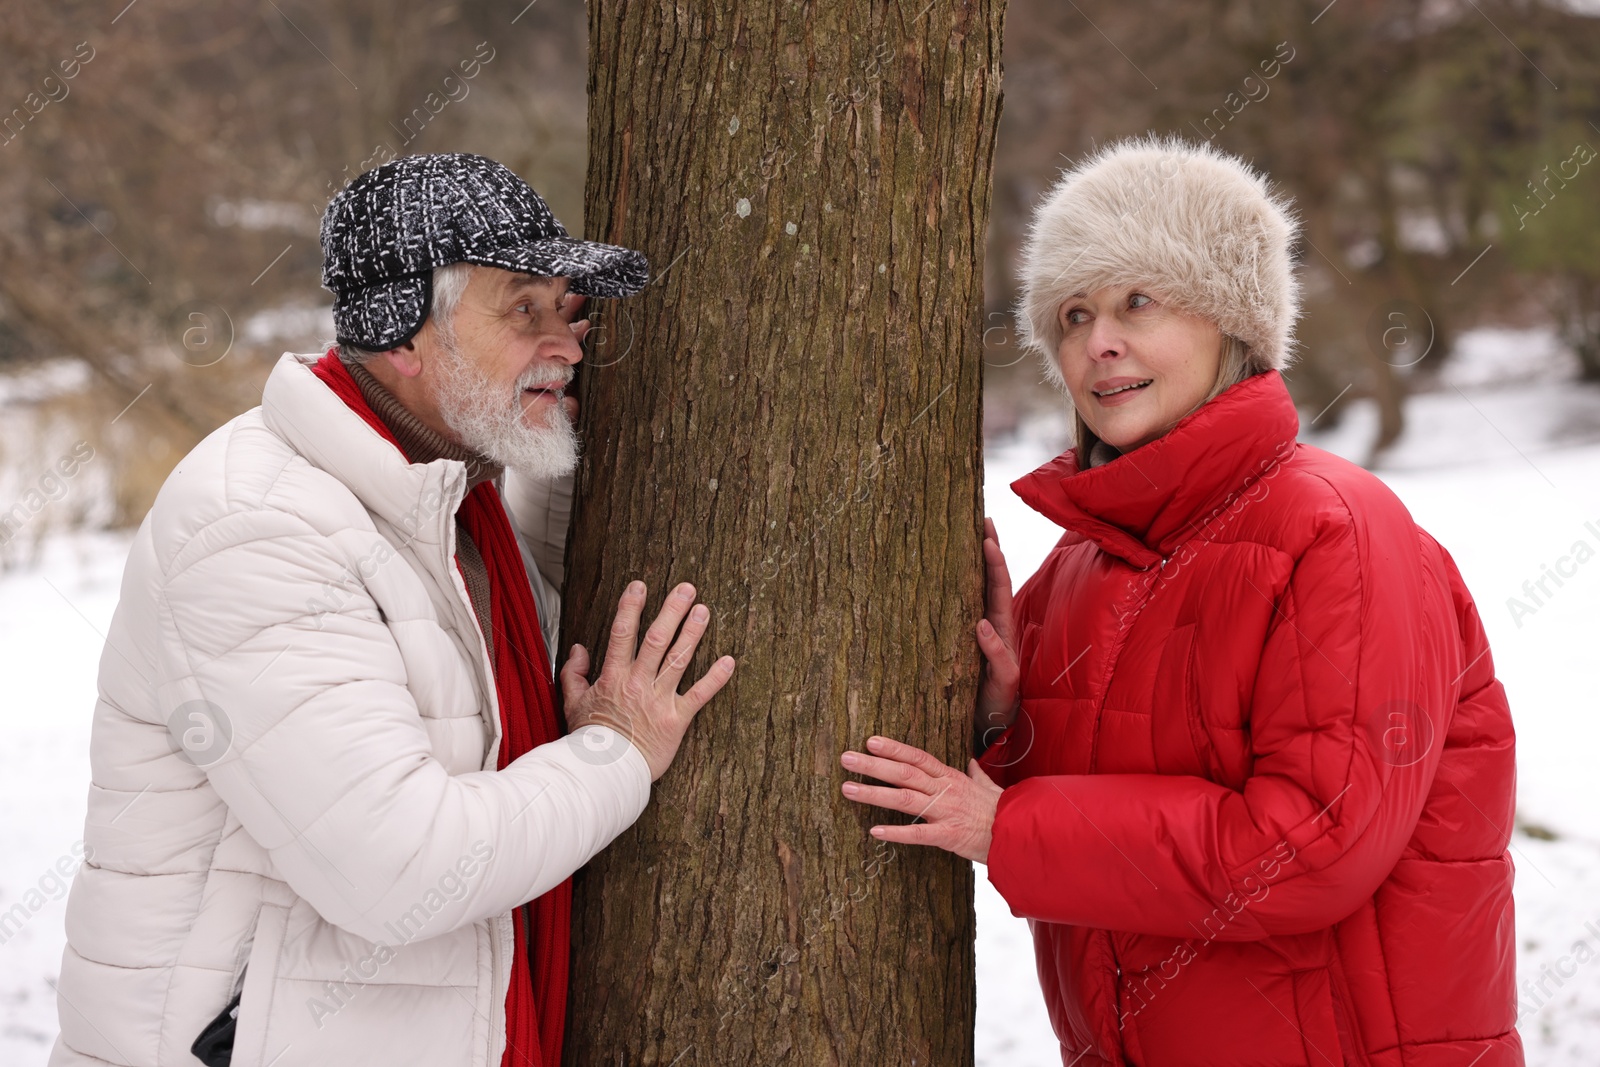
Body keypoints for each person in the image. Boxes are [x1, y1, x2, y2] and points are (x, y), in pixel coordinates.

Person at [841, 137, 1520, 1064]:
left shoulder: (1339, 534)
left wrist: (1008, 827)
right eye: (1072, 315)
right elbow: (1114, 779)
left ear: (1232, 321)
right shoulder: (1084, 561)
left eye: (1138, 301)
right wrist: (1004, 721)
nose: (1098, 342)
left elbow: (1311, 841)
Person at [49, 153, 735, 1067]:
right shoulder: (255, 527)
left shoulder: (448, 498)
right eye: (522, 309)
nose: (569, 346)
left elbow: (500, 616)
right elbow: (399, 864)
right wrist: (616, 751)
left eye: (566, 310)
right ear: (401, 336)